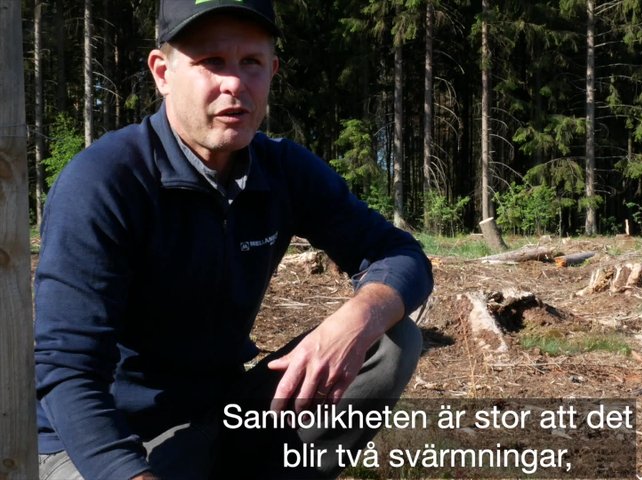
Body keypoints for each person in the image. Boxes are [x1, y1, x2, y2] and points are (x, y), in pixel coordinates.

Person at [33, 1, 432, 479]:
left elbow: (401, 254)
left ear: (272, 72)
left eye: (251, 62)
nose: (235, 84)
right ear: (162, 73)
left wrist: (357, 319)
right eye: (212, 62)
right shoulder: (105, 182)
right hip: (104, 441)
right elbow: (67, 370)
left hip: (220, 416)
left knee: (389, 339)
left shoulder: (281, 169)